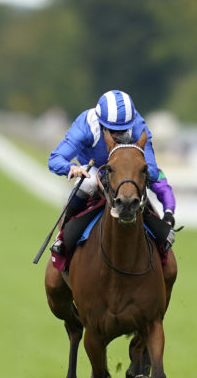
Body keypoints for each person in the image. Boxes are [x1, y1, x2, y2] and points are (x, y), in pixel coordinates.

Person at [48, 89, 175, 257]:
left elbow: (151, 170)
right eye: (111, 130)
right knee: (89, 182)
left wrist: (168, 212)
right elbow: (55, 159)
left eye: (123, 130)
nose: (117, 135)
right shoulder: (86, 125)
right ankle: (62, 236)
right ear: (100, 123)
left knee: (144, 178)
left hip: (126, 171)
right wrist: (71, 167)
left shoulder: (138, 126)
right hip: (95, 169)